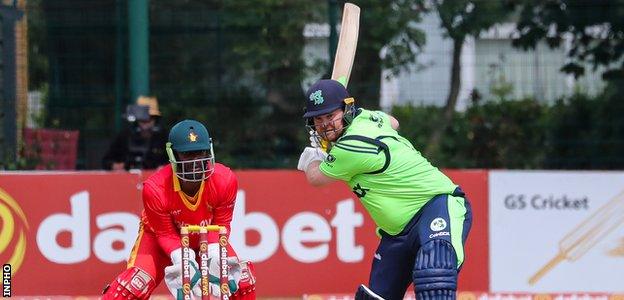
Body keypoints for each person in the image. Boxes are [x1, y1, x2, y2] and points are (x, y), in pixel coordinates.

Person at [297, 79, 472, 300]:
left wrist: (313, 156)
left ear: (346, 109)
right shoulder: (369, 117)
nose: (325, 125)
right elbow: (394, 122)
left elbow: (315, 178)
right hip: (397, 233)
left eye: (330, 116)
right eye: (318, 119)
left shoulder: (350, 149)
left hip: (436, 205)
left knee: (434, 272)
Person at [102, 119, 256, 299]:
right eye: (187, 154)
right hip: (160, 240)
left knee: (243, 280)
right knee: (132, 286)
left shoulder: (225, 179)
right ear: (173, 155)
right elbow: (165, 234)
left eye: (200, 153)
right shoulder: (155, 188)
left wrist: (214, 253)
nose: (196, 161)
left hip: (206, 238)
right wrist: (183, 259)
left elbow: (222, 224)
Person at [102, 96, 168, 170]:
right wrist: (117, 166)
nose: (146, 123)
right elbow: (106, 161)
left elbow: (175, 162)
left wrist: (165, 168)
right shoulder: (124, 137)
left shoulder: (164, 137)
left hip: (156, 179)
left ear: (156, 119)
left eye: (150, 118)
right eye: (142, 119)